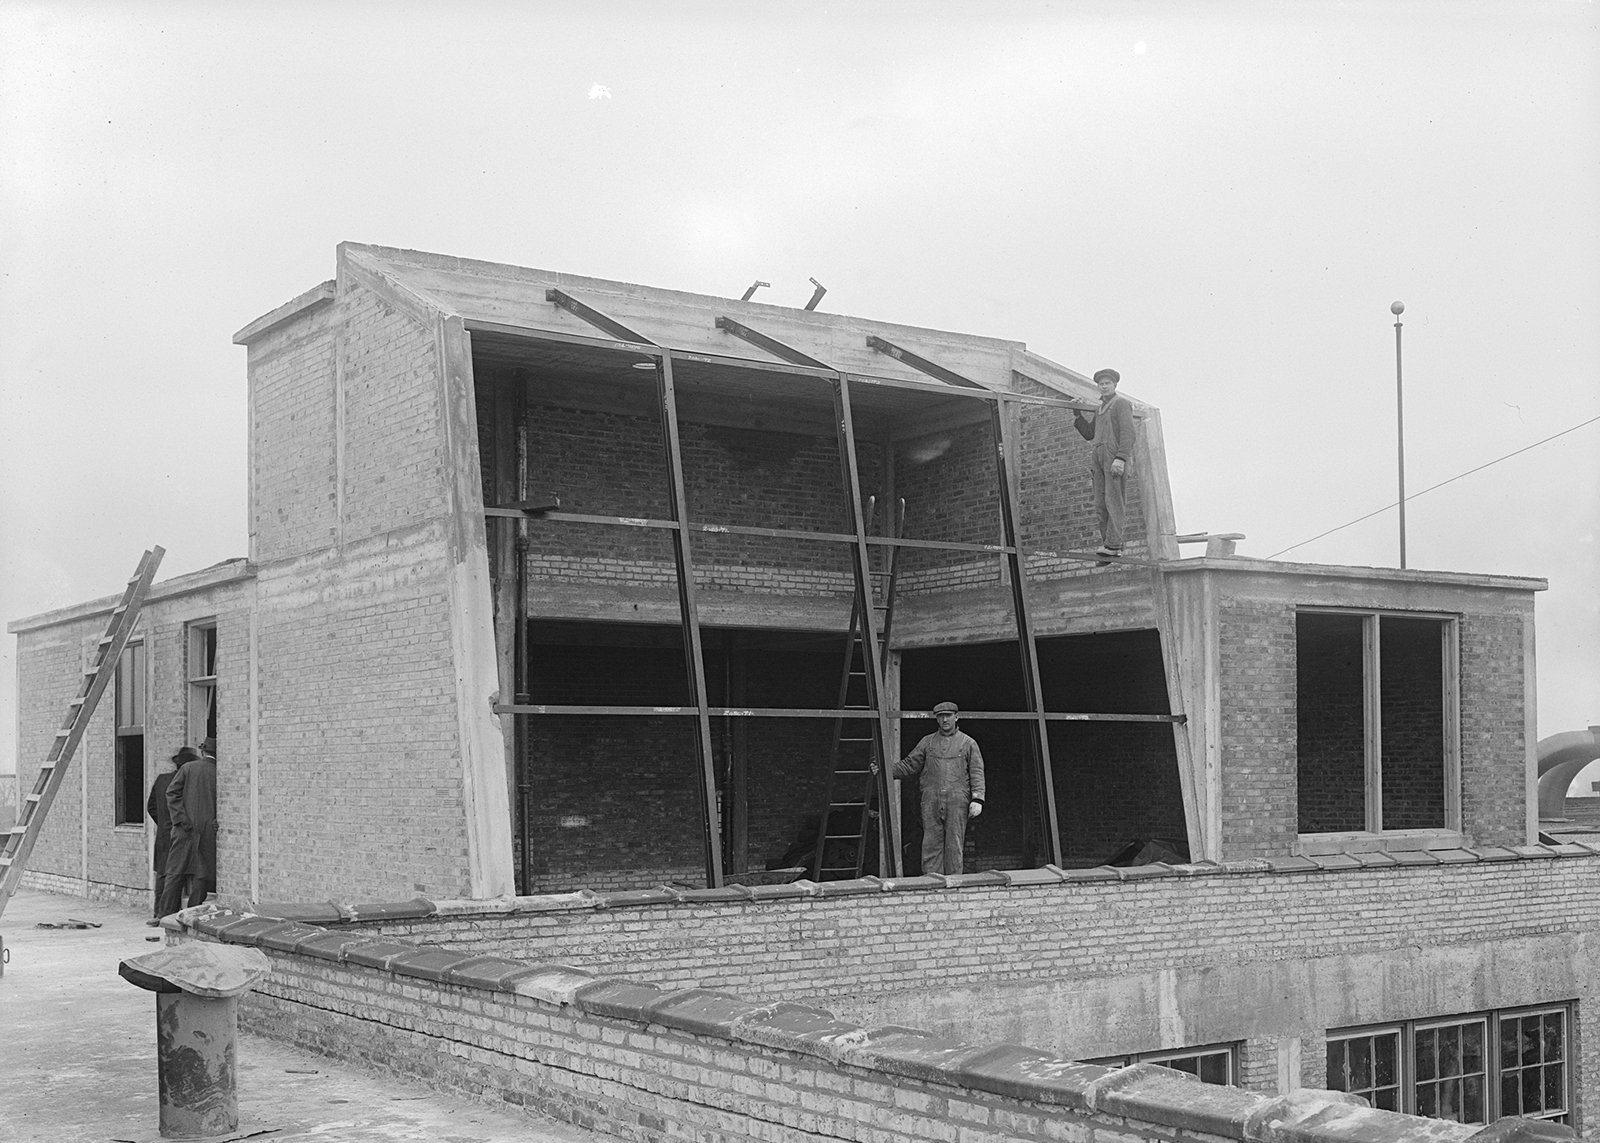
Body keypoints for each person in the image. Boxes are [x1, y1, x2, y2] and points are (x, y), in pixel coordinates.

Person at [893, 701, 985, 876]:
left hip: (958, 800)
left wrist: (977, 799)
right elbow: (910, 765)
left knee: (954, 844)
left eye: (948, 716)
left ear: (956, 717)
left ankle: (953, 885)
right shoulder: (927, 742)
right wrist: (886, 769)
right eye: (940, 716)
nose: (944, 720)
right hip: (931, 799)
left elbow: (977, 772)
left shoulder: (968, 743)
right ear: (936, 719)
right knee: (931, 843)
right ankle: (932, 884)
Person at [1072, 368, 1137, 557]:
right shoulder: (1100, 409)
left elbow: (1128, 433)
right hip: (1098, 457)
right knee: (1101, 503)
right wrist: (1077, 415)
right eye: (1101, 384)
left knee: (1114, 501)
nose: (1104, 386)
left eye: (1107, 383)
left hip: (1114, 457)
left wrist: (1121, 458)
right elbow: (1089, 434)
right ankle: (1109, 546)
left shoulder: (1121, 404)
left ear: (1115, 385)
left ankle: (1114, 545)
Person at [157, 745, 218, 917]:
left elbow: (172, 793)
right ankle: (192, 914)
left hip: (183, 830)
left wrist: (181, 819)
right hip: (207, 830)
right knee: (202, 873)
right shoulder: (218, 772)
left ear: (203, 752)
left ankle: (165, 914)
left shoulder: (188, 768)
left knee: (175, 871)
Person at [144, 747, 193, 925]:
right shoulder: (186, 781)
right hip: (180, 832)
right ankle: (169, 913)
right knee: (177, 873)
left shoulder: (162, 779)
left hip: (163, 834)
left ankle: (158, 912)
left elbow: (151, 807)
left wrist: (163, 824)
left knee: (162, 873)